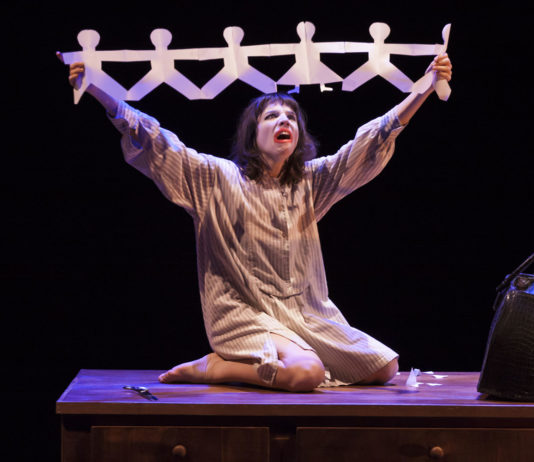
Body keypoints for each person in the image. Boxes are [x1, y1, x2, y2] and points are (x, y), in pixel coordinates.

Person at [59, 51, 452, 392]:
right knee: (307, 373)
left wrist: (425, 88)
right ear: (253, 133)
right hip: (242, 311)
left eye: (291, 117)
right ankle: (214, 367)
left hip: (302, 314)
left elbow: (367, 145)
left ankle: (278, 356)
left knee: (384, 367)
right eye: (272, 116)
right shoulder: (217, 179)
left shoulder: (309, 183)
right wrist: (96, 89)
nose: (284, 121)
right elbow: (157, 142)